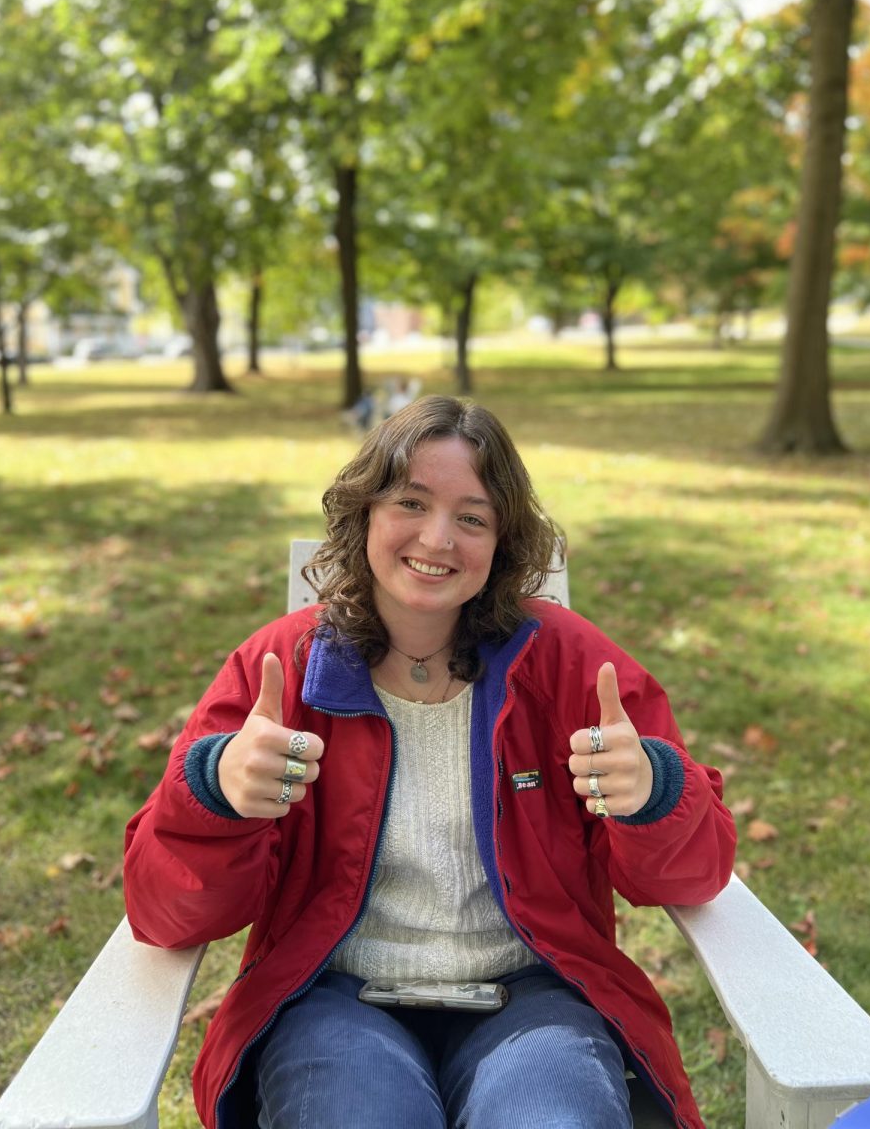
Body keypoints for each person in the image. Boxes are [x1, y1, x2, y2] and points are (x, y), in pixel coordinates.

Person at [123, 395, 736, 1129]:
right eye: (411, 502)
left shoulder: (573, 667)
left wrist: (655, 795)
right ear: (365, 514)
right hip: (332, 1001)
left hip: (534, 998)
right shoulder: (278, 669)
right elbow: (165, 913)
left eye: (472, 517)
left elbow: (695, 875)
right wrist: (216, 794)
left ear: (502, 542)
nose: (438, 538)